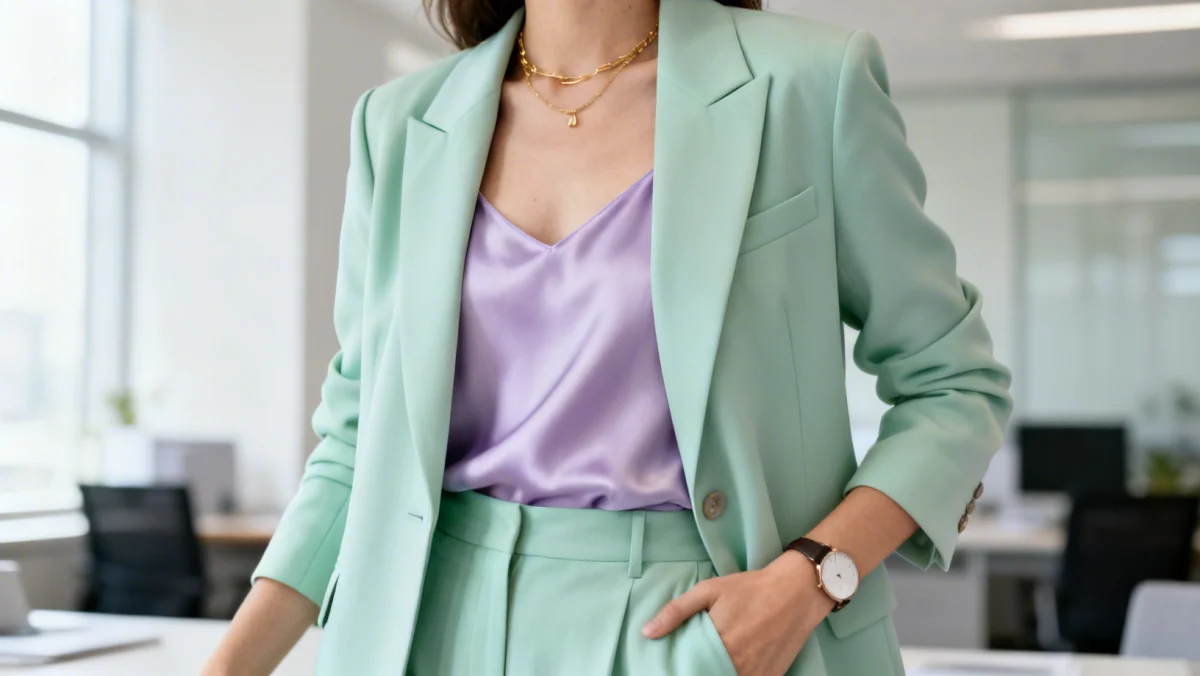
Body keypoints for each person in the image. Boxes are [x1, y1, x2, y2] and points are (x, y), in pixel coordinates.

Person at [203, 0, 1012, 672]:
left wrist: (811, 579)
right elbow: (354, 442)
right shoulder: (399, 124)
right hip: (429, 626)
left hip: (696, 626)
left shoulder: (807, 83)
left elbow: (954, 384)